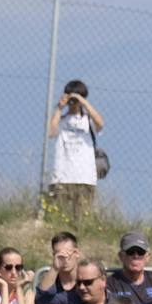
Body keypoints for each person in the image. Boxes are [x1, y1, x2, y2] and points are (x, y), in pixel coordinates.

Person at [47, 79, 104, 225]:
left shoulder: (87, 121)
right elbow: (51, 132)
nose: (73, 102)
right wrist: (59, 108)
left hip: (84, 177)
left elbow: (100, 123)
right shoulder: (62, 119)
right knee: (59, 217)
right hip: (62, 175)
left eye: (75, 99)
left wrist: (83, 102)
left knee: (82, 219)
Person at [105, 232, 152, 304]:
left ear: (148, 257)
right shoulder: (110, 284)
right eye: (130, 251)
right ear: (121, 256)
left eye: (140, 252)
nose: (136, 256)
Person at [33, 232, 82, 299]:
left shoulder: (87, 281)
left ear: (76, 253)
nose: (64, 259)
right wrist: (55, 267)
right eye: (59, 255)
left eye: (67, 253)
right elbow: (40, 298)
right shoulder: (52, 280)